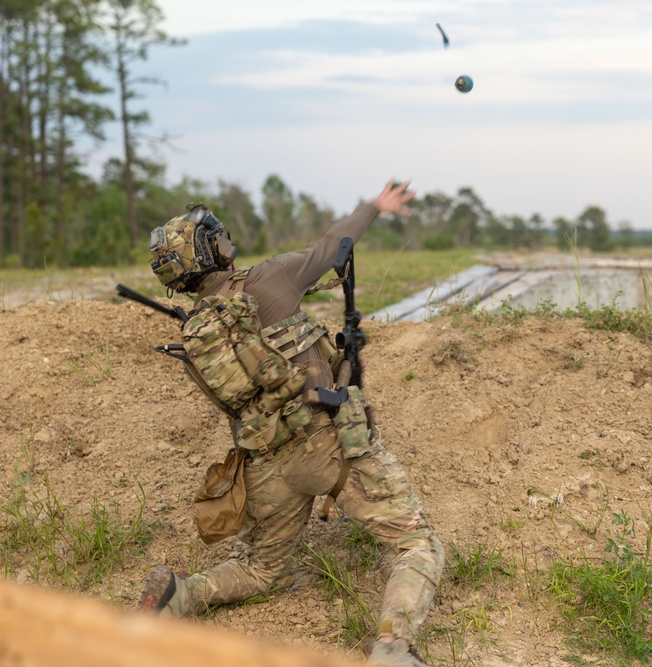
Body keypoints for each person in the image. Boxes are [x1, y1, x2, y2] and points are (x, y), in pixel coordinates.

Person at [138, 180, 443, 667]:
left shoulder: (197, 332)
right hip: (327, 445)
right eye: (216, 236)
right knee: (417, 543)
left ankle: (182, 595)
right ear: (208, 252)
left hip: (264, 465)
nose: (225, 239)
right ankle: (392, 648)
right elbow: (332, 245)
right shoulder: (269, 278)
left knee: (264, 571)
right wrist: (374, 207)